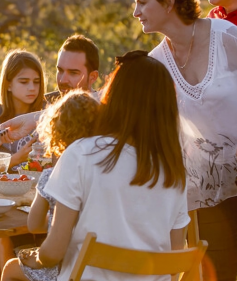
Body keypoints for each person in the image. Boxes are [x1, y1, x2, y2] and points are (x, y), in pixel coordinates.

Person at [11, 50, 189, 281]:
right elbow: (174, 261)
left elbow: (53, 252)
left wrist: (33, 255)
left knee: (13, 271)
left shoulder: (82, 153)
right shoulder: (173, 172)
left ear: (114, 98)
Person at [133, 0, 237, 279]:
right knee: (222, 275)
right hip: (206, 198)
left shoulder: (226, 36)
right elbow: (114, 102)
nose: (135, 11)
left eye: (142, 2)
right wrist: (39, 118)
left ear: (169, 4)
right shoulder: (155, 65)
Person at [1, 90, 100, 281]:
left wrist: (54, 220)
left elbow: (34, 224)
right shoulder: (101, 172)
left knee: (11, 269)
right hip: (95, 264)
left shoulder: (52, 175)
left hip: (65, 268)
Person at [0, 49, 45, 171]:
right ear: (8, 84)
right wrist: (17, 158)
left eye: (36, 82)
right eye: (24, 82)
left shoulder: (48, 111)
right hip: (3, 185)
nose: (32, 88)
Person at [44, 34, 100, 103]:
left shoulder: (106, 110)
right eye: (60, 70)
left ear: (93, 77)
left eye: (73, 73)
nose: (63, 80)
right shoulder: (43, 106)